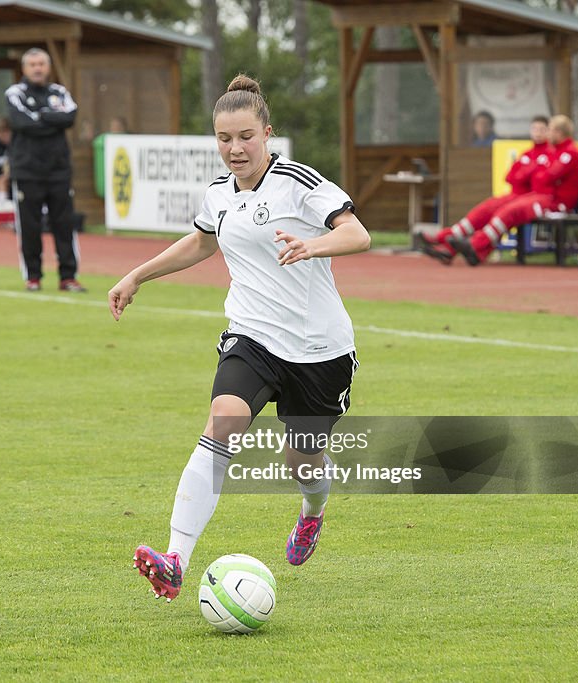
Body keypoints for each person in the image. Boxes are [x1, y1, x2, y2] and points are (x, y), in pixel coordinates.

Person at [108, 74, 370, 601]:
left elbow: (356, 234)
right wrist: (137, 275)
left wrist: (312, 247)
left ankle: (312, 512)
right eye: (225, 139)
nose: (235, 148)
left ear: (267, 132)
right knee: (222, 424)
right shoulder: (219, 194)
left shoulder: (297, 181)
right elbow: (202, 242)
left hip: (320, 350)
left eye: (246, 136)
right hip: (252, 337)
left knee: (303, 460)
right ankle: (175, 558)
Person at [449, 114, 578, 266]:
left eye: (550, 130)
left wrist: (535, 173)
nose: (547, 134)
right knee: (497, 208)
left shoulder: (570, 153)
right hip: (544, 197)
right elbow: (516, 177)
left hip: (558, 202)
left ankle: (475, 244)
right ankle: (474, 249)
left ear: (559, 133)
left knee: (511, 211)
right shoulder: (555, 152)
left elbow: (544, 177)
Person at [418, 115, 551, 264]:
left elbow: (538, 180)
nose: (537, 132)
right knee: (482, 211)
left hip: (530, 199)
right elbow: (510, 177)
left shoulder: (550, 154)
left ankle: (459, 245)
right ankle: (452, 247)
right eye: (534, 128)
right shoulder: (527, 154)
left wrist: (525, 173)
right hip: (516, 196)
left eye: (542, 129)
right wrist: (526, 173)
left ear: (549, 132)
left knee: (502, 214)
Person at [4, 48, 85, 292]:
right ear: (24, 68)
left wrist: (40, 117)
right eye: (33, 64)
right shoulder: (15, 93)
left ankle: (68, 277)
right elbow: (20, 122)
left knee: (64, 224)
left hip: (58, 170)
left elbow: (70, 117)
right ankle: (33, 277)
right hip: (27, 170)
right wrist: (51, 119)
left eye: (41, 64)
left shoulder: (59, 92)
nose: (38, 68)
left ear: (48, 67)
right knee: (30, 226)